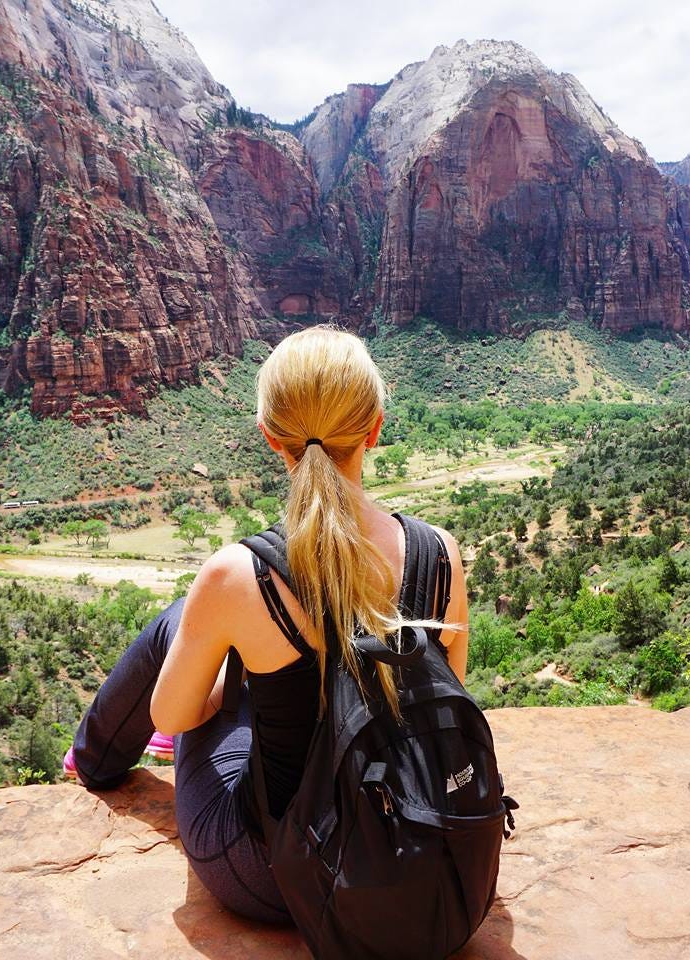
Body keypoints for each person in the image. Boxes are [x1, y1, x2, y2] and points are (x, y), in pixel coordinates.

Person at [65, 324, 469, 924]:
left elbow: (172, 717)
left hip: (272, 876)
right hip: (407, 850)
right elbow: (441, 701)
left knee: (181, 622)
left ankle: (91, 761)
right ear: (375, 430)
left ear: (271, 440)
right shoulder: (440, 553)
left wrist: (236, 690)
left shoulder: (237, 575)